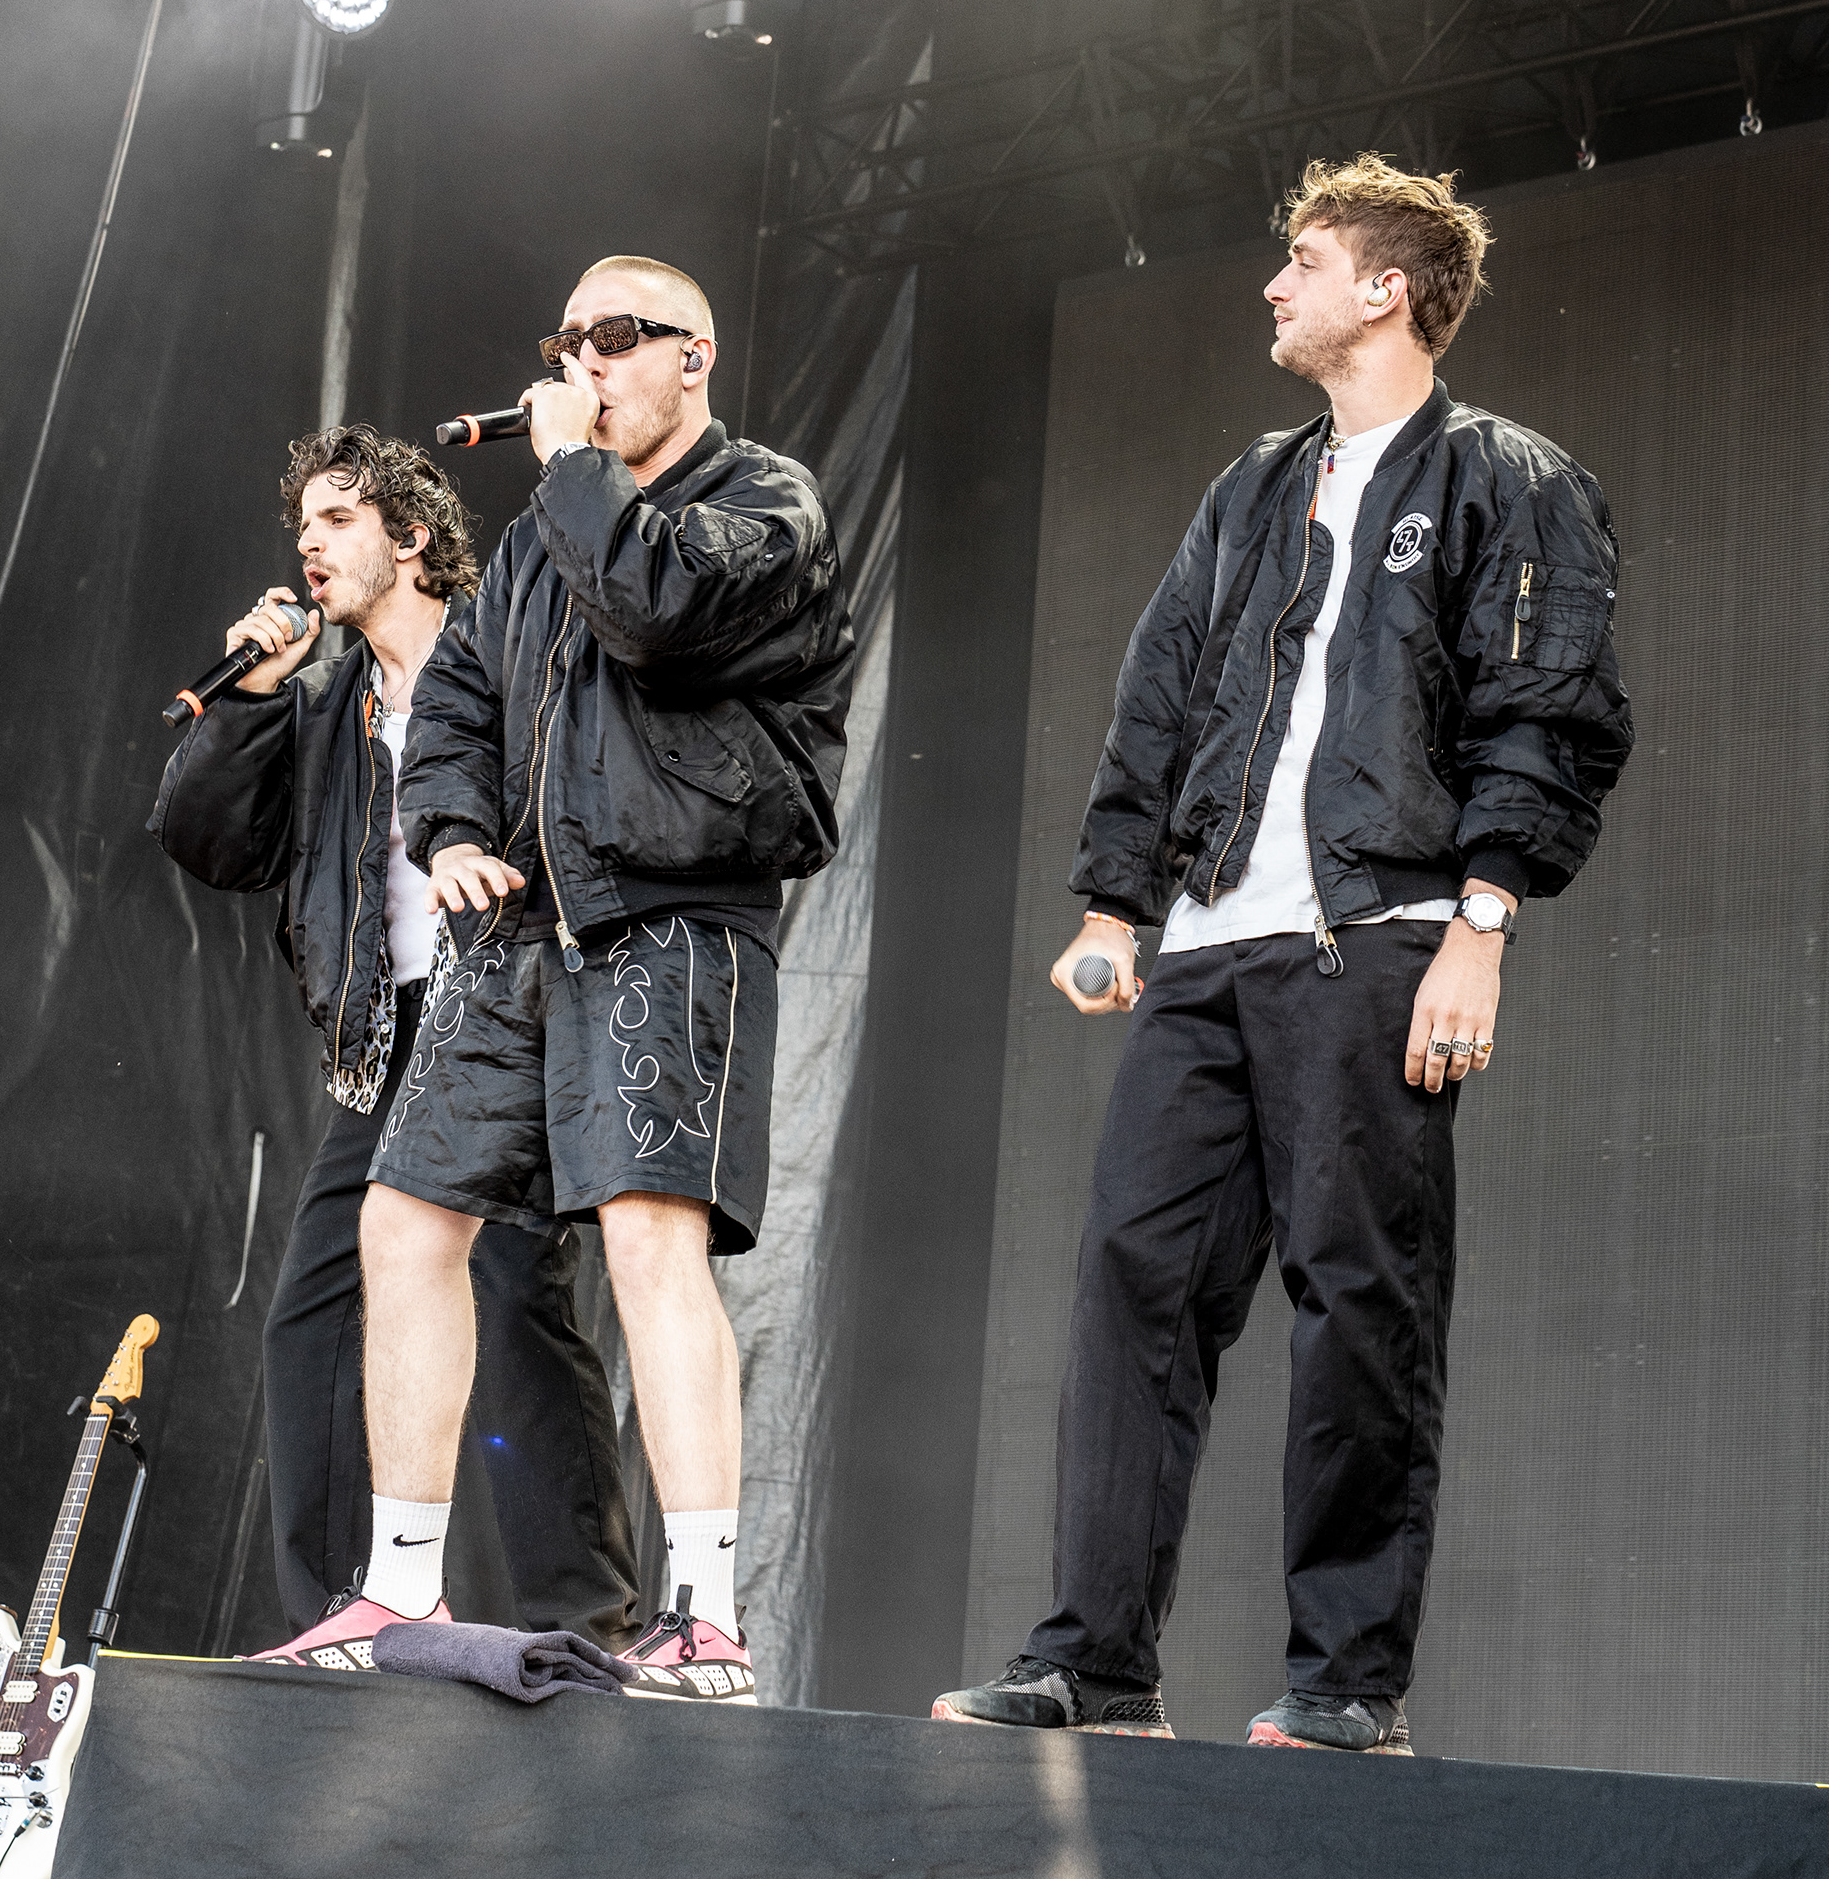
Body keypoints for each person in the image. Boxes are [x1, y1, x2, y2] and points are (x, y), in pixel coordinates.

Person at [936, 155, 1633, 1752]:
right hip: (1204, 954)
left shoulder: (1508, 478)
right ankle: (1095, 1664)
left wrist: (1480, 925)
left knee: (1360, 1304)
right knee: (1135, 1287)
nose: (1274, 284)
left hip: (1376, 943)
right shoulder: (1253, 486)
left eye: (1303, 260)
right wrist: (1115, 906)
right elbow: (1162, 690)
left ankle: (1348, 1684)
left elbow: (1548, 715)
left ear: (1385, 288)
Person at [254, 256, 854, 1702]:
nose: (584, 362)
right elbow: (458, 700)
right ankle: (398, 1586)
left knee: (649, 1238)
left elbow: (653, 613)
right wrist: (453, 830)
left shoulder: (761, 503)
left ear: (693, 355)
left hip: (670, 909)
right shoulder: (536, 539)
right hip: (522, 928)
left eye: (617, 337)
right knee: (404, 1220)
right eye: (568, 341)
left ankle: (704, 1616)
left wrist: (577, 467)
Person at [152, 427, 639, 1657]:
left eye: (337, 519)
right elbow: (211, 844)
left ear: (411, 536)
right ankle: (340, 1614)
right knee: (313, 1312)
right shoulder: (324, 706)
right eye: (300, 526)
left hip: (514, 1002)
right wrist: (249, 698)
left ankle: (584, 1618)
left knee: (514, 1293)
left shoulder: (513, 649)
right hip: (392, 1031)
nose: (308, 546)